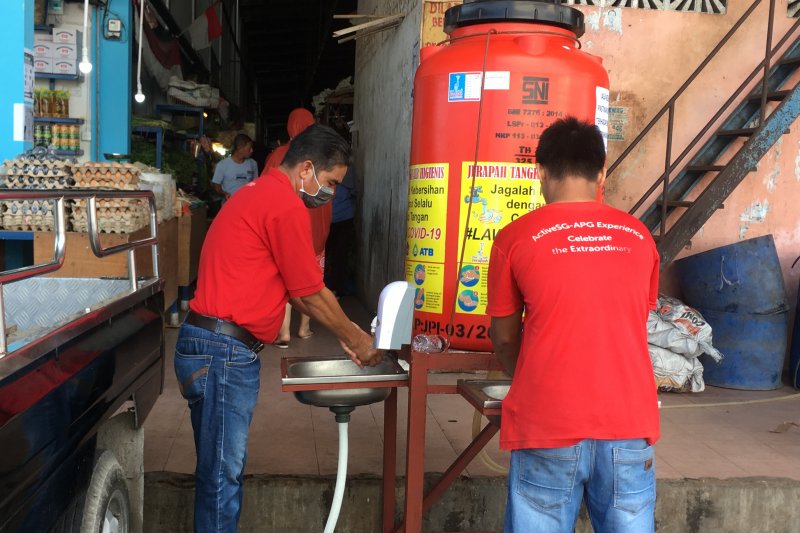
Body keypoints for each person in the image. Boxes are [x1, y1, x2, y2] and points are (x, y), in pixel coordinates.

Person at [174, 124, 381, 532]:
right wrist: (359, 339)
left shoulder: (253, 193)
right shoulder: (282, 203)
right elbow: (311, 291)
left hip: (206, 345)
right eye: (331, 182)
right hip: (223, 353)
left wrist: (347, 334)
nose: (332, 194)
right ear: (306, 168)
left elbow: (300, 294)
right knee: (221, 479)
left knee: (216, 471)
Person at [486, 117, 660, 533]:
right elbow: (634, 321)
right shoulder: (639, 236)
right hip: (628, 423)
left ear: (541, 171)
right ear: (602, 171)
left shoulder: (514, 238)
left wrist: (528, 377)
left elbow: (505, 336)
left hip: (547, 424)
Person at [263, 108, 332, 346]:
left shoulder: (279, 156)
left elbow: (265, 189)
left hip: (284, 231)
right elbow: (326, 198)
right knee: (310, 280)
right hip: (314, 232)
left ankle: (283, 332)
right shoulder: (322, 158)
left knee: (282, 279)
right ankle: (304, 328)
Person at [324, 166, 357, 295]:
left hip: (335, 219)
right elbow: (355, 194)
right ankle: (335, 289)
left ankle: (330, 289)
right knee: (338, 255)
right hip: (341, 218)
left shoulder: (325, 167)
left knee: (331, 255)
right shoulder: (348, 170)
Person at [211, 133, 258, 199]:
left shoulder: (253, 163)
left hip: (248, 205)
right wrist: (224, 194)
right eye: (249, 148)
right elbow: (216, 185)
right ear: (240, 148)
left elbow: (256, 183)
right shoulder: (222, 165)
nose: (252, 150)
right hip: (230, 206)